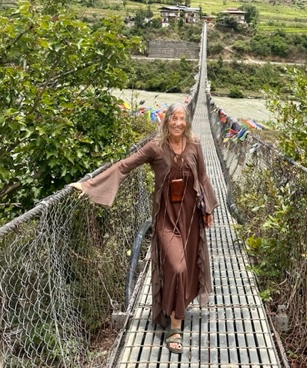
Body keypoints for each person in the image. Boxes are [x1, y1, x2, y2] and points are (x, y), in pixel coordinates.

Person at [70, 102, 218, 355]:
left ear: (187, 121)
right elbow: (125, 165)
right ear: (166, 121)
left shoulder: (195, 145)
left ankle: (175, 310)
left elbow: (202, 177)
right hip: (166, 219)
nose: (179, 123)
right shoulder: (155, 148)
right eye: (174, 118)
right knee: (177, 267)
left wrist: (209, 208)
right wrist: (89, 185)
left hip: (191, 217)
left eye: (183, 119)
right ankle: (174, 327)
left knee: (187, 267)